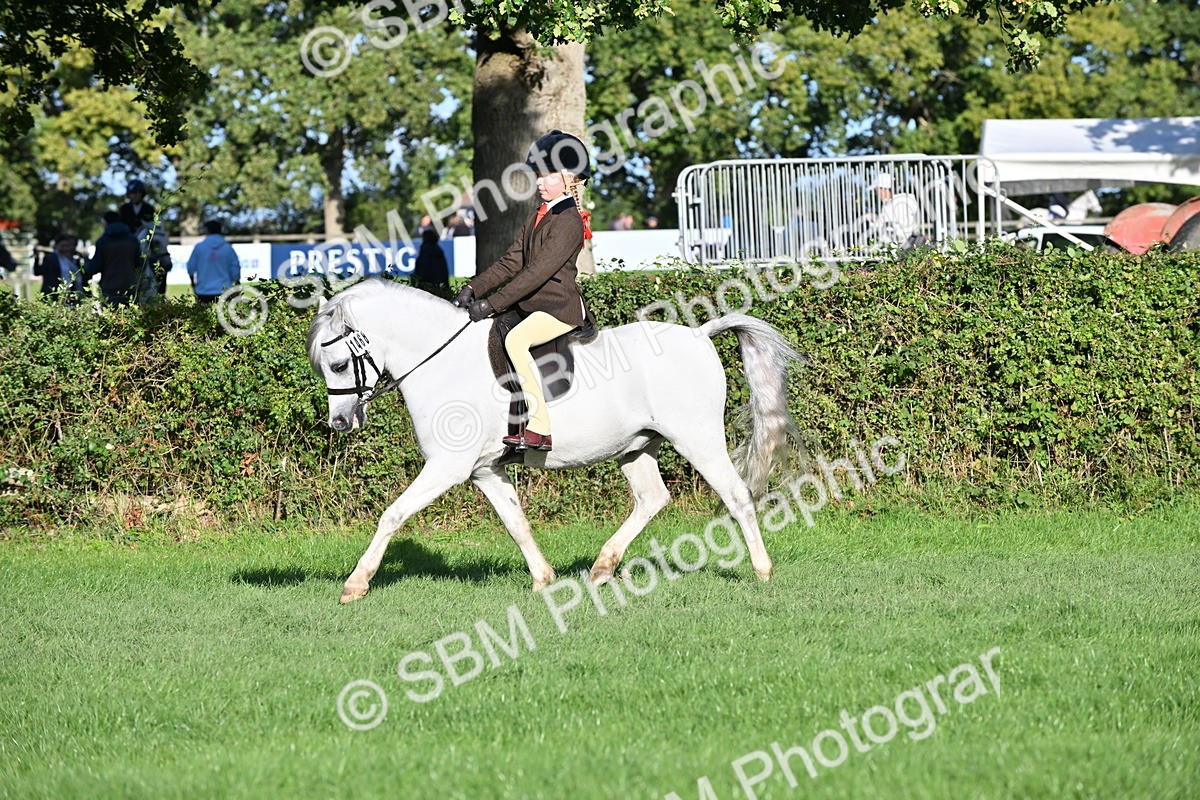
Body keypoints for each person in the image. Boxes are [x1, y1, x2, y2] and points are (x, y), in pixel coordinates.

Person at [452, 130, 592, 453]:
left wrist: (492, 303)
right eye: (538, 175)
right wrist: (473, 289)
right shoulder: (538, 215)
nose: (540, 182)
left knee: (516, 339)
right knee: (496, 330)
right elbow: (511, 261)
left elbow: (535, 274)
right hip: (536, 305)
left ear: (569, 178)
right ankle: (510, 420)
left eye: (547, 176)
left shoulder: (569, 220)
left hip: (559, 308)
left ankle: (540, 426)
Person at [84, 211, 140, 306]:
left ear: (106, 222)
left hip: (109, 288)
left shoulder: (103, 241)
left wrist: (86, 260)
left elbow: (94, 267)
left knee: (111, 317)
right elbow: (140, 263)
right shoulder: (133, 239)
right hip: (130, 286)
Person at [186, 220, 241, 303]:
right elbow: (235, 271)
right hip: (224, 290)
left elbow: (190, 268)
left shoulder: (199, 247)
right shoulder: (228, 248)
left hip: (203, 290)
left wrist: (193, 284)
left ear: (207, 231)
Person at [868, 172, 920, 246]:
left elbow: (899, 231)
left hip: (901, 248)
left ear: (883, 189)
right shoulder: (891, 203)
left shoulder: (899, 203)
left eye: (876, 190)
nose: (876, 194)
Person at [34, 234, 85, 304]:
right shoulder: (50, 258)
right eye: (62, 246)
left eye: (67, 246)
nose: (65, 249)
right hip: (53, 295)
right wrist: (37, 258)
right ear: (56, 246)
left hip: (69, 296)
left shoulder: (74, 260)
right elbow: (37, 272)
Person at [412, 228, 450, 297]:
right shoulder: (439, 252)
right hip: (441, 288)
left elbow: (421, 273)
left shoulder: (425, 252)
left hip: (428, 290)